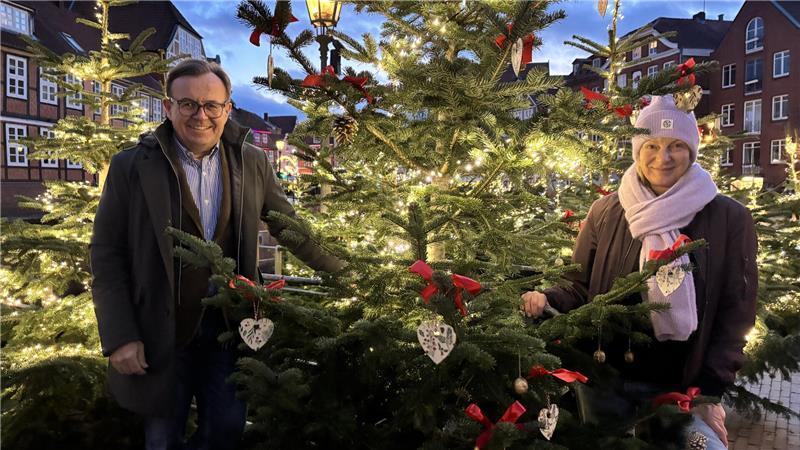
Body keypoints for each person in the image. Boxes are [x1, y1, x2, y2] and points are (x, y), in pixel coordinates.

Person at [90, 59, 344, 450]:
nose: (200, 115)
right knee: (161, 438)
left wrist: (346, 271)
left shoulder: (252, 161)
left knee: (227, 429)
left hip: (230, 325)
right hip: (161, 330)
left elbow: (288, 226)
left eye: (212, 105)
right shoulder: (131, 166)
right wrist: (120, 336)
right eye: (188, 104)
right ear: (168, 107)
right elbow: (107, 255)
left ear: (227, 108)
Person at [521, 95, 757, 449]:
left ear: (692, 150)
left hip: (680, 387)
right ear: (637, 148)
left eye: (676, 145)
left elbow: (736, 313)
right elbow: (578, 284)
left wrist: (709, 393)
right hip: (604, 378)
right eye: (653, 145)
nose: (663, 157)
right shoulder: (606, 211)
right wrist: (547, 297)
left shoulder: (728, 218)